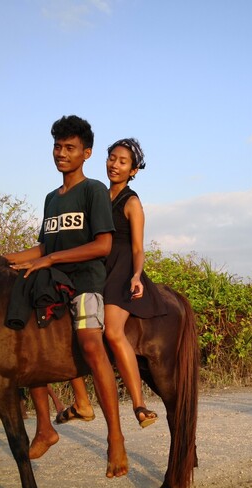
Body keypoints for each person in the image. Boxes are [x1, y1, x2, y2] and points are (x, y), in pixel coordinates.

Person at [0, 115, 127, 477]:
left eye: (70, 148)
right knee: (23, 338)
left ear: (85, 153)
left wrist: (51, 258)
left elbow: (102, 245)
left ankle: (115, 437)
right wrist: (4, 258)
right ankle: (44, 427)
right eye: (57, 146)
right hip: (50, 279)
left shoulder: (94, 191)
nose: (61, 153)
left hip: (85, 280)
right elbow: (44, 245)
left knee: (90, 344)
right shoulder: (50, 199)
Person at [57, 138, 166, 428]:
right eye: (112, 158)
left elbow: (138, 247)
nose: (114, 165)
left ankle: (139, 405)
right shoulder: (96, 195)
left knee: (114, 332)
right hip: (96, 266)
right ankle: (81, 402)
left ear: (134, 171)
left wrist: (135, 275)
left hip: (122, 268)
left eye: (122, 162)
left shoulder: (131, 202)